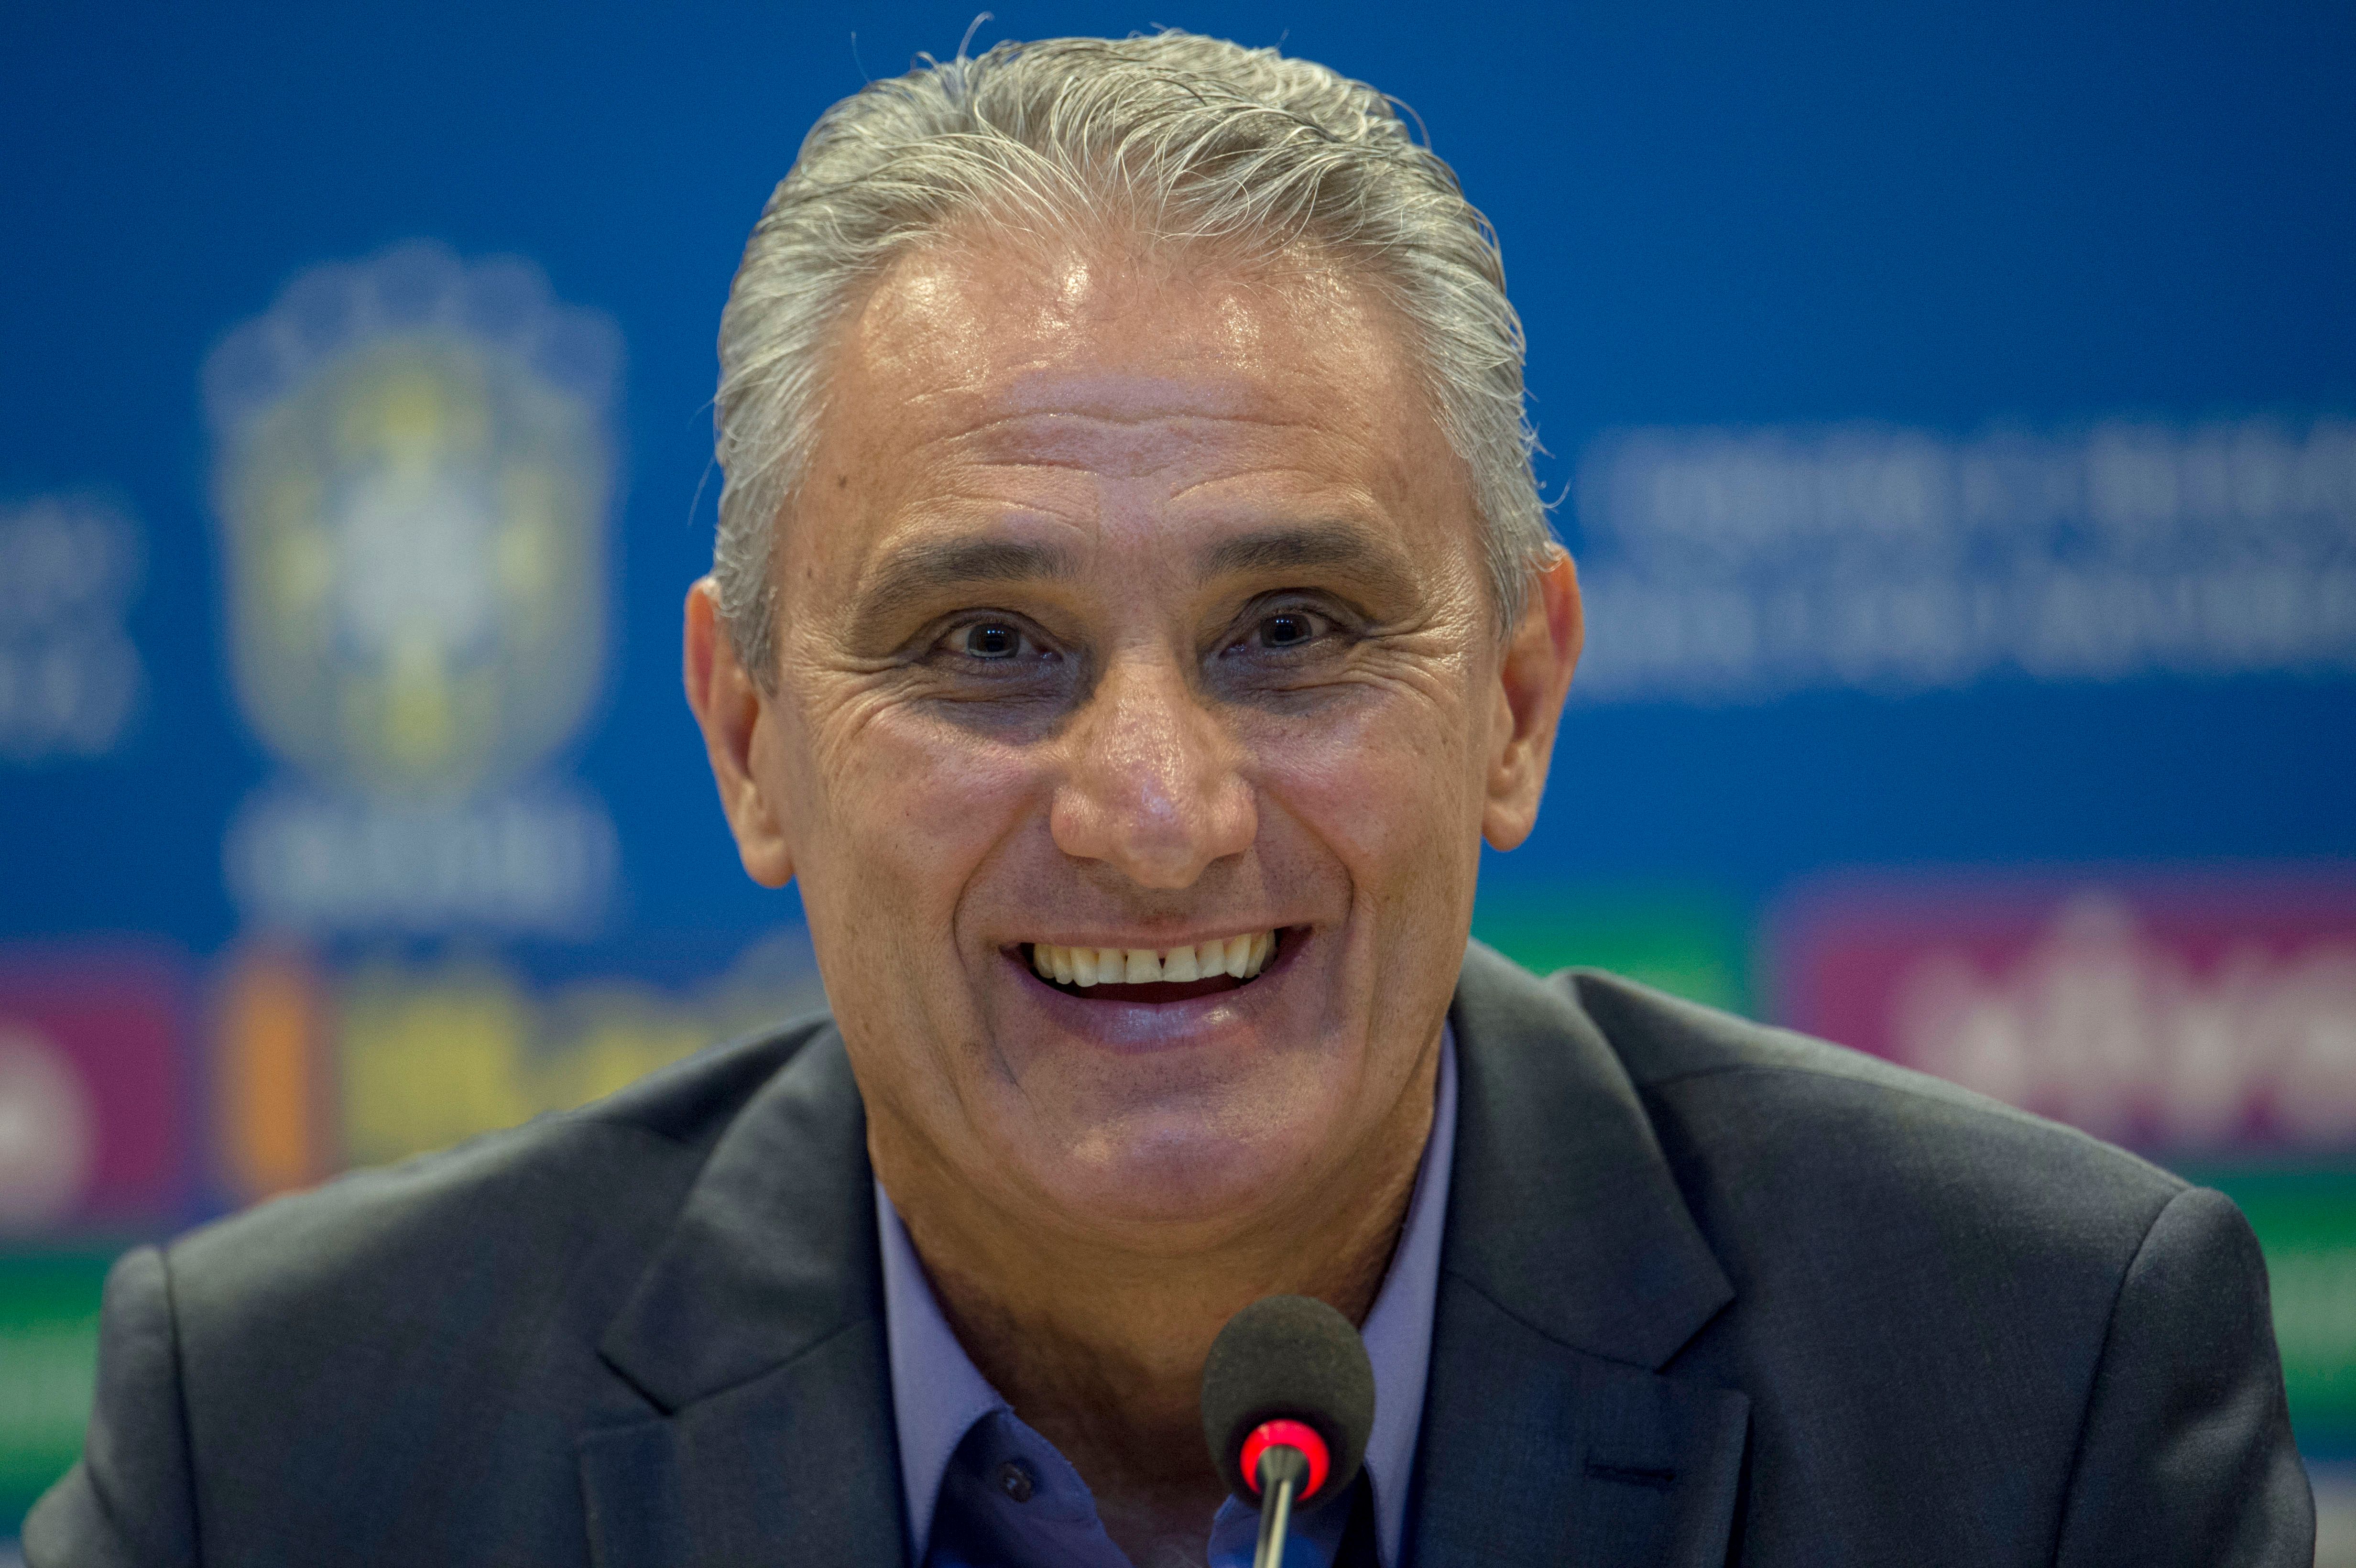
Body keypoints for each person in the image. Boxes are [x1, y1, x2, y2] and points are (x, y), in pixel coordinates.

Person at [28, 31, 2312, 1568]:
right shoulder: (286, 1454)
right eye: (985, 646)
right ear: (748, 739)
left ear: (1515, 700)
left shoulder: (2034, 1391)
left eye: (1294, 631)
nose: (1150, 806)